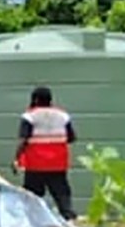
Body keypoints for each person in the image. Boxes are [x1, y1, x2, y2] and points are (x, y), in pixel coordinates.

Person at [14, 85, 79, 219]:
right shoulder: (63, 116)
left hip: (35, 164)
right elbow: (72, 138)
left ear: (35, 99)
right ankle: (69, 220)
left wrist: (16, 159)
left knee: (32, 196)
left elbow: (23, 140)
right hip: (58, 163)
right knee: (62, 193)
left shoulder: (29, 116)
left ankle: (33, 223)